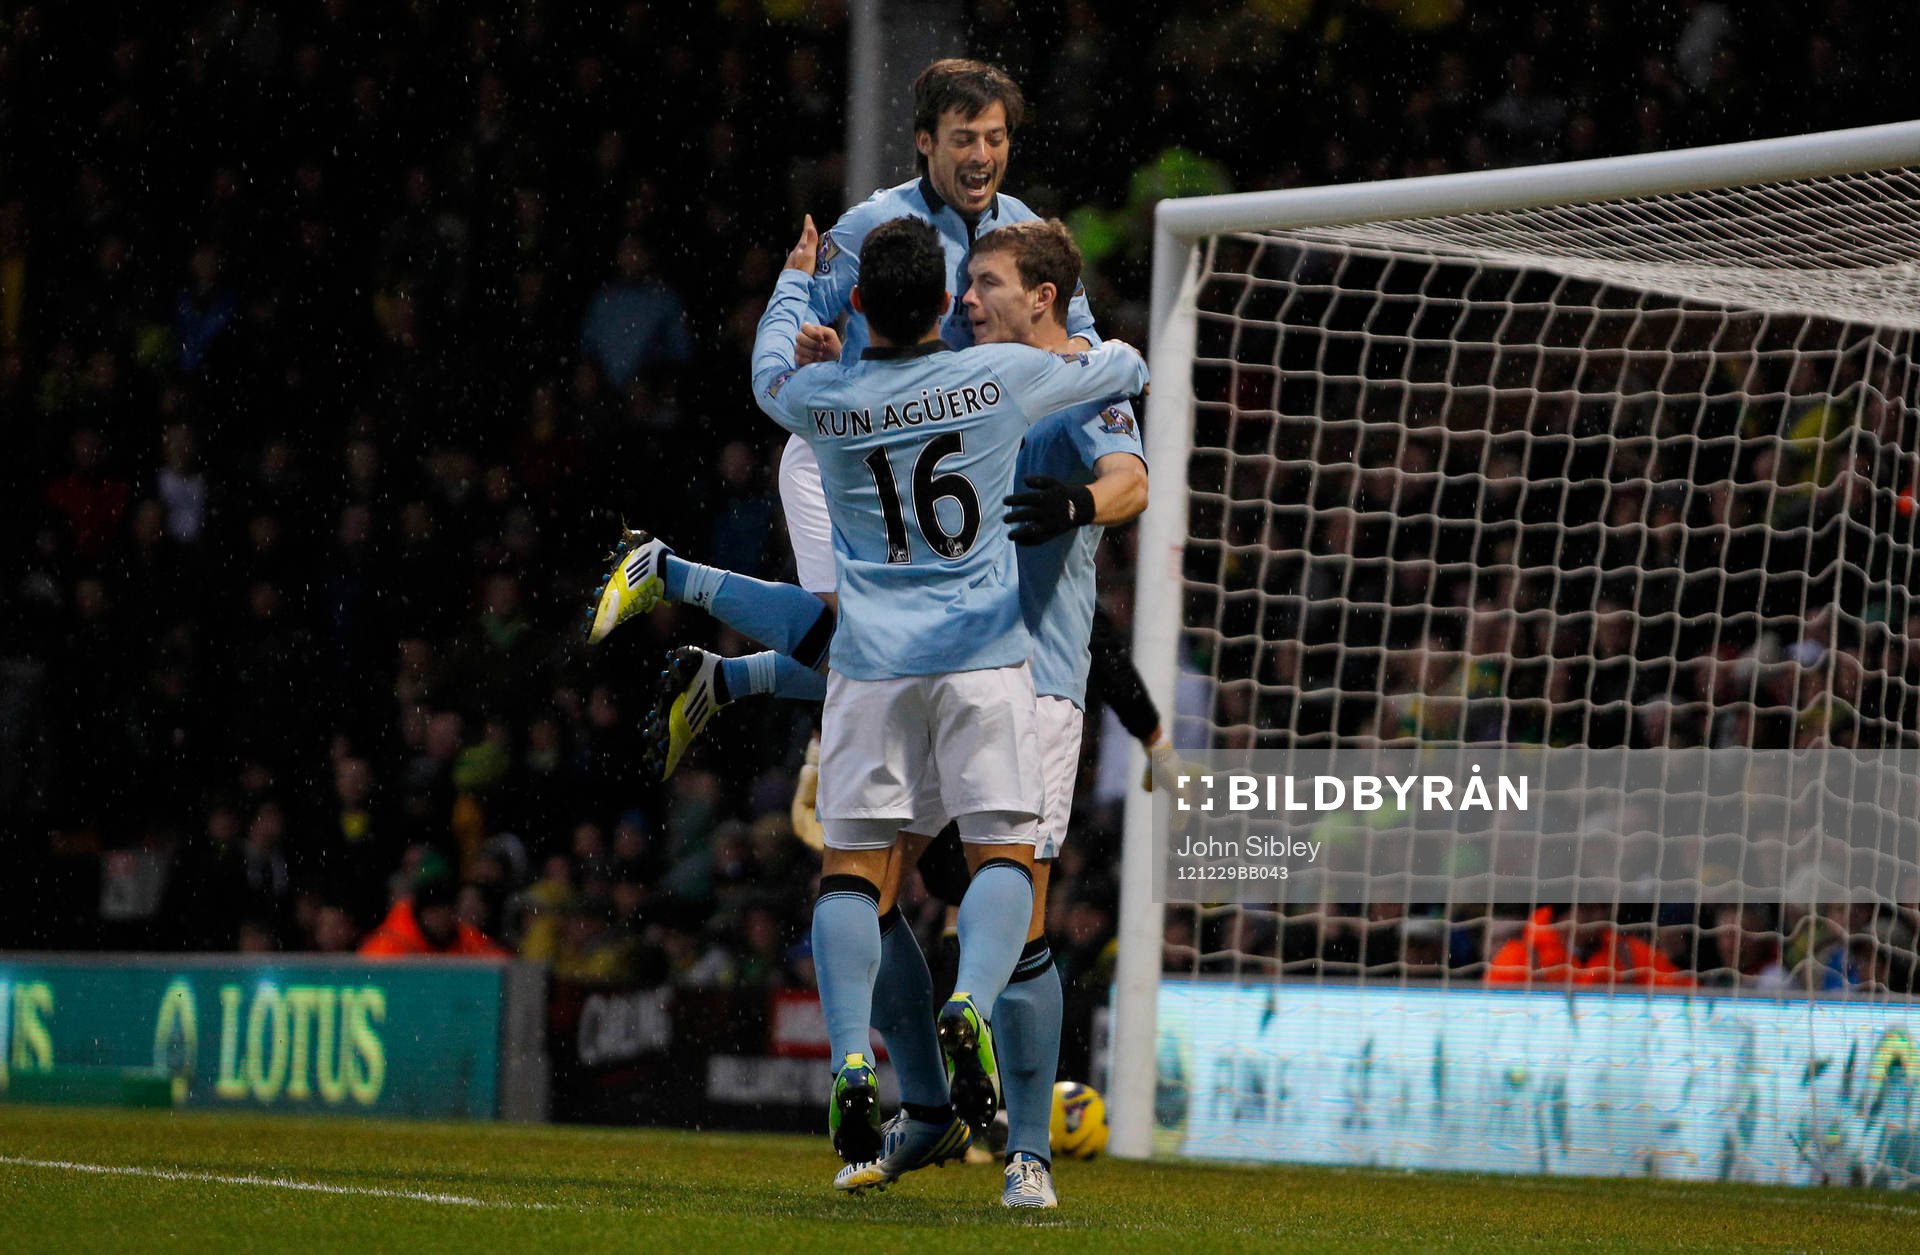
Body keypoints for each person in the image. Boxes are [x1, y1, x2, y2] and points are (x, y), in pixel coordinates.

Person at [749, 214, 1147, 1187]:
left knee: (851, 871)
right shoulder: (996, 378)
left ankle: (856, 1059)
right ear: (941, 305)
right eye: (963, 289)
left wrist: (797, 285)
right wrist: (1082, 331)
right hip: (980, 659)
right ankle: (963, 1013)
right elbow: (1126, 366)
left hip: (873, 668)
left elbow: (768, 379)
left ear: (859, 305)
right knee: (1002, 854)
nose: (972, 300)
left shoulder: (824, 396)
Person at [358, 860, 509, 958]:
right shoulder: (387, 947)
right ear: (423, 912)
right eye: (436, 911)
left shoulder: (463, 938)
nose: (443, 918)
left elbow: (500, 961)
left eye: (449, 910)